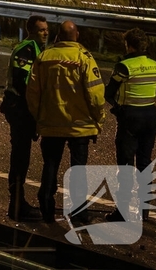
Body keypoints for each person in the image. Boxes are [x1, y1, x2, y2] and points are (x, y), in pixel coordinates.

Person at [26, 20, 105, 224]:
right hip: (80, 126)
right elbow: (95, 94)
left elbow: (33, 93)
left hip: (51, 124)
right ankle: (79, 212)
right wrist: (98, 119)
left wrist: (38, 118)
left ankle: (46, 205)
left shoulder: (44, 57)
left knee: (50, 165)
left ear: (58, 36)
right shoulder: (84, 57)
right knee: (78, 170)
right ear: (76, 35)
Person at [104, 28, 156, 223]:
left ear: (129, 45)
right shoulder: (155, 65)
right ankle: (144, 211)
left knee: (126, 165)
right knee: (144, 163)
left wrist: (117, 108)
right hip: (151, 115)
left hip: (130, 116)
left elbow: (108, 93)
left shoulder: (124, 66)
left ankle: (122, 212)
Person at [0, 15, 49, 222]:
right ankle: (16, 205)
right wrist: (35, 110)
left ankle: (19, 202)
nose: (45, 33)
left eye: (46, 29)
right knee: (20, 156)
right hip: (19, 107)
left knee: (23, 155)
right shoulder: (26, 50)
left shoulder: (39, 50)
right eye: (41, 30)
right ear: (31, 31)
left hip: (24, 108)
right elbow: (24, 85)